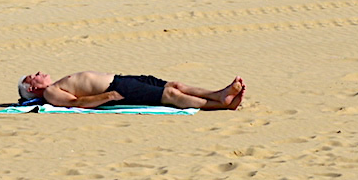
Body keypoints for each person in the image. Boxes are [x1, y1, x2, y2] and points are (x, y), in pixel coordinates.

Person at [17, 71, 245, 110]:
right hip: (116, 88)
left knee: (175, 86)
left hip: (121, 80)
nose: (39, 73)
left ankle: (219, 94)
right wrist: (107, 97)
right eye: (33, 76)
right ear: (32, 87)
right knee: (172, 96)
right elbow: (75, 103)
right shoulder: (49, 93)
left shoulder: (53, 85)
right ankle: (220, 104)